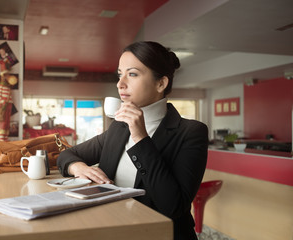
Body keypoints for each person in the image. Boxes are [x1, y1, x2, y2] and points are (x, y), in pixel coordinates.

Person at [57, 41, 208, 240]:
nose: (120, 84)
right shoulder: (118, 128)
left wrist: (140, 137)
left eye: (133, 74)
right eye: (120, 74)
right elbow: (67, 154)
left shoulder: (191, 132)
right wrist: (79, 168)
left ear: (161, 83)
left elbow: (173, 206)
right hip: (114, 229)